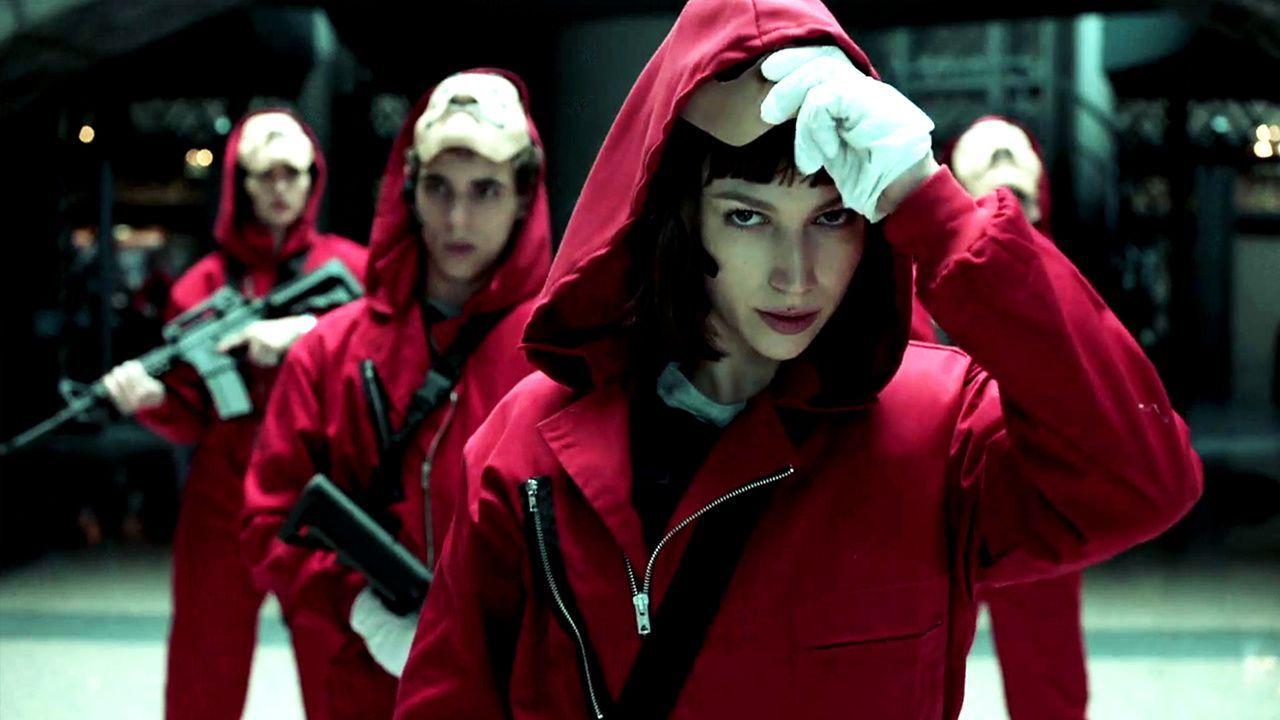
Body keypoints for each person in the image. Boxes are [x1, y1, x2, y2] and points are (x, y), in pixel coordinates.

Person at [393, 1, 1203, 718]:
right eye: (747, 217)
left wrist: (935, 206)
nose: (795, 274)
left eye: (832, 218)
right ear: (680, 219)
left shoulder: (940, 430)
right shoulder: (529, 450)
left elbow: (1142, 481)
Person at [240, 70, 552, 719]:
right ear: (410, 187)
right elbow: (268, 522)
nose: (457, 218)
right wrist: (355, 602)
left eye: (485, 189)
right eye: (439, 188)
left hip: (515, 689)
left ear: (524, 194)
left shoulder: (563, 358)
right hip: (361, 684)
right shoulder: (330, 352)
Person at [100, 109, 367, 720]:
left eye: (292, 173)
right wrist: (152, 401)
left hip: (325, 491)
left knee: (340, 670)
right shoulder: (201, 286)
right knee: (204, 669)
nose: (279, 188)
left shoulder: (352, 268)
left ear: (313, 178)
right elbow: (192, 411)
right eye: (263, 175)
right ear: (240, 183)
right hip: (224, 493)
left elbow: (384, 348)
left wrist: (307, 333)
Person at [947, 114, 1089, 720]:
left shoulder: (1060, 280)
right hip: (941, 484)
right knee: (909, 653)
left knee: (1046, 660)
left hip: (1032, 483)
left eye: (1018, 201)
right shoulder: (924, 276)